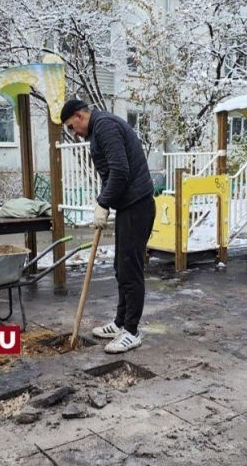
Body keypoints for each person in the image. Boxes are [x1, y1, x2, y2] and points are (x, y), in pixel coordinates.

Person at [60, 99, 155, 354]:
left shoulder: (105, 127)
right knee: (120, 267)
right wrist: (104, 202)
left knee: (130, 269)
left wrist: (103, 202)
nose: (74, 133)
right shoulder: (100, 129)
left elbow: (120, 171)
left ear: (80, 116)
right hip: (129, 206)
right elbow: (110, 174)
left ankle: (132, 331)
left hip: (138, 205)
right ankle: (121, 322)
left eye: (72, 126)